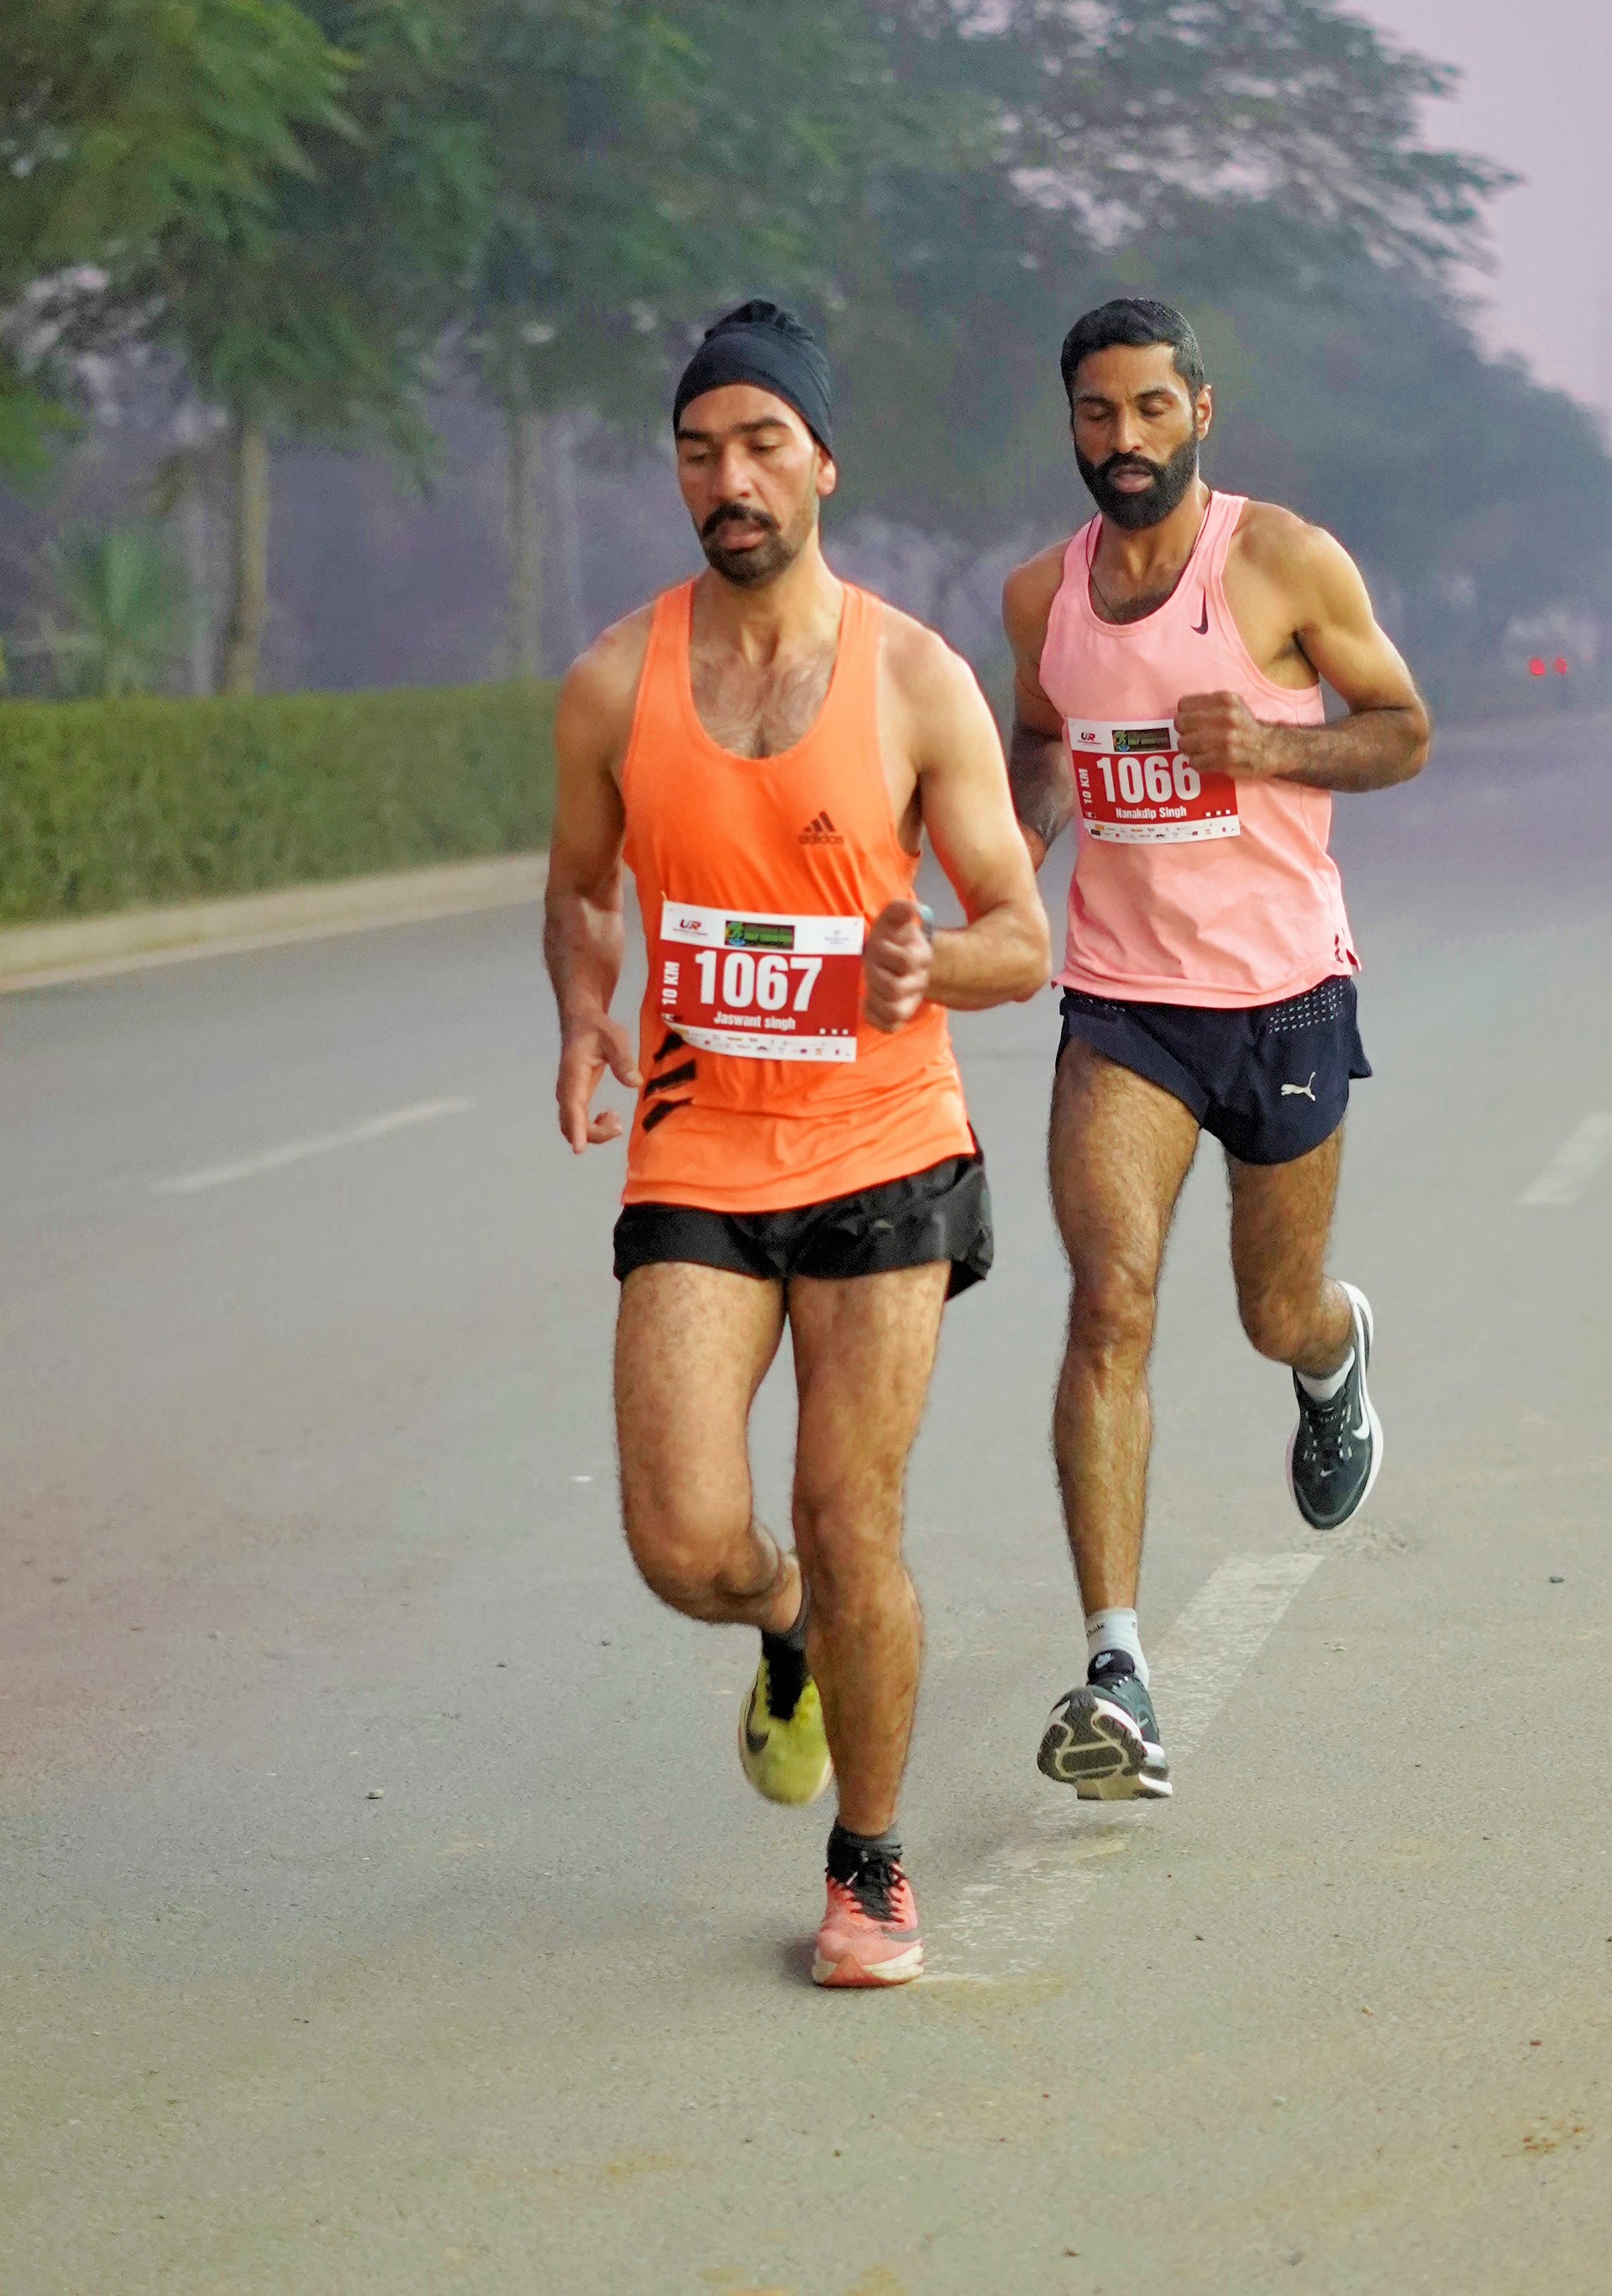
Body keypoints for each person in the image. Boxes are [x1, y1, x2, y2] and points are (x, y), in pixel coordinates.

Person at [544, 301, 1051, 1984]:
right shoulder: (613, 680)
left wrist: (935, 963)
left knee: (850, 1513)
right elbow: (579, 885)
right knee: (686, 1539)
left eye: (762, 443)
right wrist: (585, 1008)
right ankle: (784, 1632)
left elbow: (1020, 932)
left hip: (883, 1147)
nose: (730, 478)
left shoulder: (914, 678)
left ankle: (872, 1863)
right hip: (699, 1143)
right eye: (700, 451)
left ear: (823, 462)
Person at [1002, 296, 1431, 1805]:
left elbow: (1403, 727)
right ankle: (1118, 1673)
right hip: (1123, 1007)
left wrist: (1272, 748)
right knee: (1109, 1303)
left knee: (1269, 1310)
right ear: (1072, 423)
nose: (1122, 439)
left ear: (1200, 410)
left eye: (1149, 409)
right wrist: (1008, 859)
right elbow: (1042, 741)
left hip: (1287, 997)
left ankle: (1333, 1353)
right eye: (1095, 413)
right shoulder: (1039, 598)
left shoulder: (1282, 561)